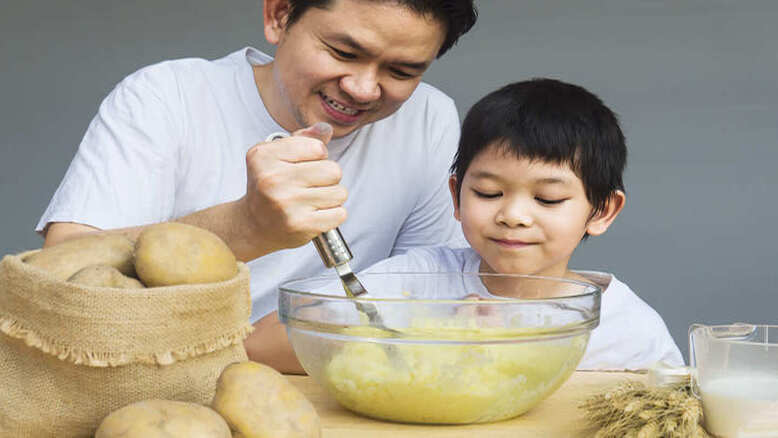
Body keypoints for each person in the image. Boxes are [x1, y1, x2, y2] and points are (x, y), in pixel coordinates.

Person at [35, 0, 477, 372]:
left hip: (330, 391)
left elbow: (428, 292)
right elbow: (56, 278)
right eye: (343, 52)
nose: (363, 89)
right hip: (143, 378)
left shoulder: (427, 119)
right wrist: (245, 226)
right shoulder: (166, 97)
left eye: (401, 72)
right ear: (280, 14)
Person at [359, 78, 684, 370]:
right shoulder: (418, 281)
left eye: (548, 199)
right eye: (489, 193)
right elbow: (309, 340)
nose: (513, 215)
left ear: (601, 211)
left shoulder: (623, 327)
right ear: (457, 196)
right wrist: (433, 334)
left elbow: (670, 412)